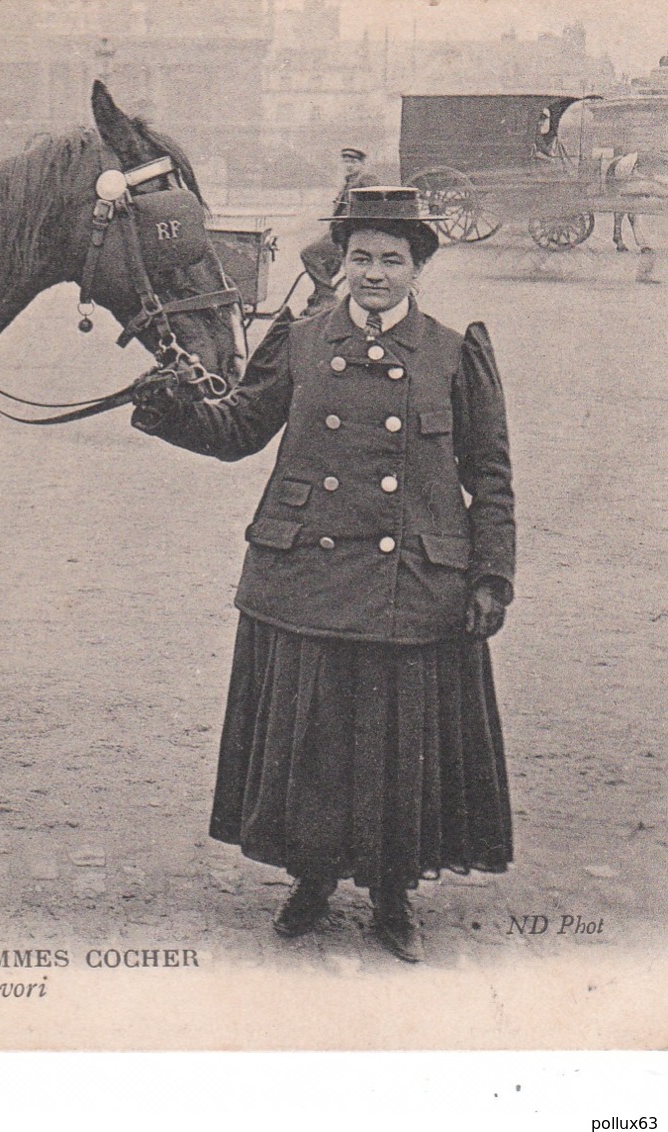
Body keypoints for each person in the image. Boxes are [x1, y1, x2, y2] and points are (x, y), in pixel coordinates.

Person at [132, 187, 516, 963]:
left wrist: (490, 576)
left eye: (391, 260)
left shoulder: (451, 352)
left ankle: (393, 893)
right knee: (314, 733)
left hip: (413, 584)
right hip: (305, 575)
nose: (374, 274)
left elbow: (491, 475)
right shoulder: (301, 341)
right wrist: (170, 410)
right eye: (360, 259)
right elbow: (239, 428)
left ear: (418, 268)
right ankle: (310, 879)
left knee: (397, 740)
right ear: (340, 265)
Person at [301, 147, 380, 314]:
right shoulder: (350, 181)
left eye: (353, 161)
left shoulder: (366, 181)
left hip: (349, 234)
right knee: (326, 263)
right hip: (340, 232)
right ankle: (318, 298)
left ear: (362, 163)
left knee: (308, 253)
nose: (349, 165)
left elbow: (372, 209)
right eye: (346, 161)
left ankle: (327, 297)